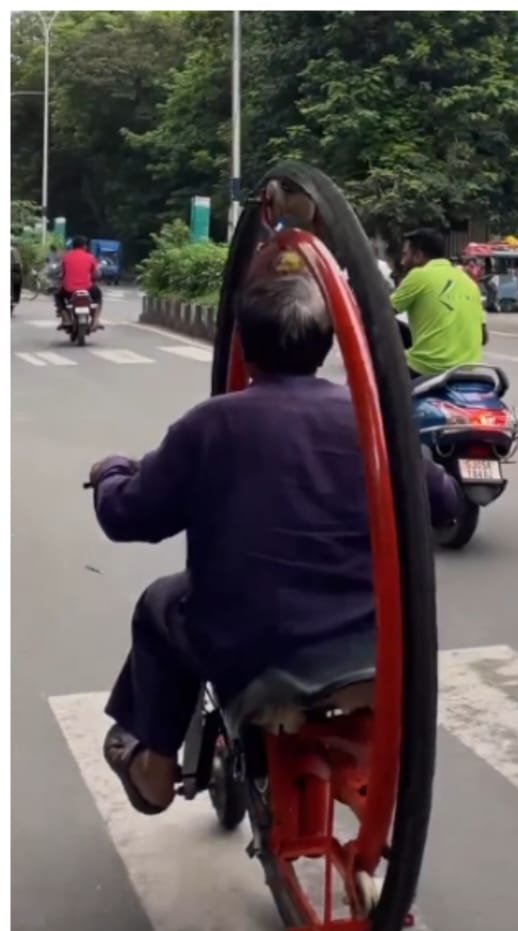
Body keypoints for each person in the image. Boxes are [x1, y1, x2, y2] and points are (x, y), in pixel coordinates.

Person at [88, 250, 463, 816]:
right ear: (326, 343)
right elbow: (443, 505)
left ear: (244, 343)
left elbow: (128, 517)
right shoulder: (373, 420)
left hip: (254, 641)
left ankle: (155, 767)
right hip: (376, 639)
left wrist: (110, 473)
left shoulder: (212, 424)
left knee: (161, 603)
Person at [390, 227, 487, 378]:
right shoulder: (469, 283)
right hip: (467, 371)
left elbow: (381, 313)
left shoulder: (419, 276)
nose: (403, 261)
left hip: (427, 368)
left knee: (376, 377)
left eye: (406, 254)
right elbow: (484, 337)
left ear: (417, 255)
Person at [56, 236, 103, 332]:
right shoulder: (90, 257)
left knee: (58, 296)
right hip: (88, 288)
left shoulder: (66, 257)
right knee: (98, 297)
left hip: (69, 290)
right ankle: (95, 320)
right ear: (84, 246)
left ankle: (66, 318)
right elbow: (97, 274)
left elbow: (62, 273)